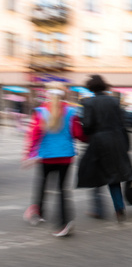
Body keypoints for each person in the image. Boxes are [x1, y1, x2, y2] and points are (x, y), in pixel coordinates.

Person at [22, 81, 84, 237]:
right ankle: (65, 222)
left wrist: (29, 155)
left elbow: (34, 134)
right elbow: (78, 134)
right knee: (63, 190)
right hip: (66, 157)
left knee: (41, 184)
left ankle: (38, 213)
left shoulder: (41, 111)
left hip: (46, 157)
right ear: (63, 94)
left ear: (47, 94)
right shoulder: (71, 111)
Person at [77, 75, 132, 222]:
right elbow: (123, 124)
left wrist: (83, 124)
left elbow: (88, 127)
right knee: (113, 176)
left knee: (94, 174)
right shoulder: (115, 101)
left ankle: (98, 209)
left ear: (91, 88)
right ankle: (119, 208)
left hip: (98, 143)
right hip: (117, 141)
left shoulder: (88, 103)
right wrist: (127, 145)